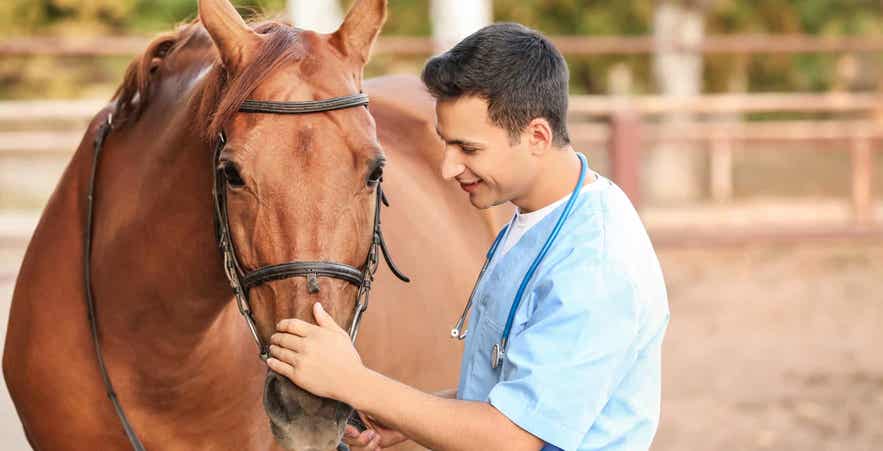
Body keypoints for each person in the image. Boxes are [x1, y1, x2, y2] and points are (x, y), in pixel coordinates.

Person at [266, 22, 670, 451]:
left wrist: (356, 383)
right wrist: (408, 419)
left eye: (469, 149)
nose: (448, 168)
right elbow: (529, 386)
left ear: (536, 136)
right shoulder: (537, 217)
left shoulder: (596, 265)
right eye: (446, 145)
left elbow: (513, 436)